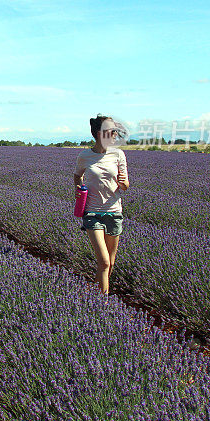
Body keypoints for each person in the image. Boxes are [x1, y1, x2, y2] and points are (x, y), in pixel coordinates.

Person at [73, 114, 129, 295]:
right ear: (99, 133)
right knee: (104, 262)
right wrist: (78, 188)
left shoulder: (118, 154)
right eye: (112, 131)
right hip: (92, 213)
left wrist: (122, 183)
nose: (115, 134)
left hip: (114, 212)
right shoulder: (85, 156)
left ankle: (95, 298)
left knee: (110, 263)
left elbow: (126, 185)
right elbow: (77, 175)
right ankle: (103, 307)